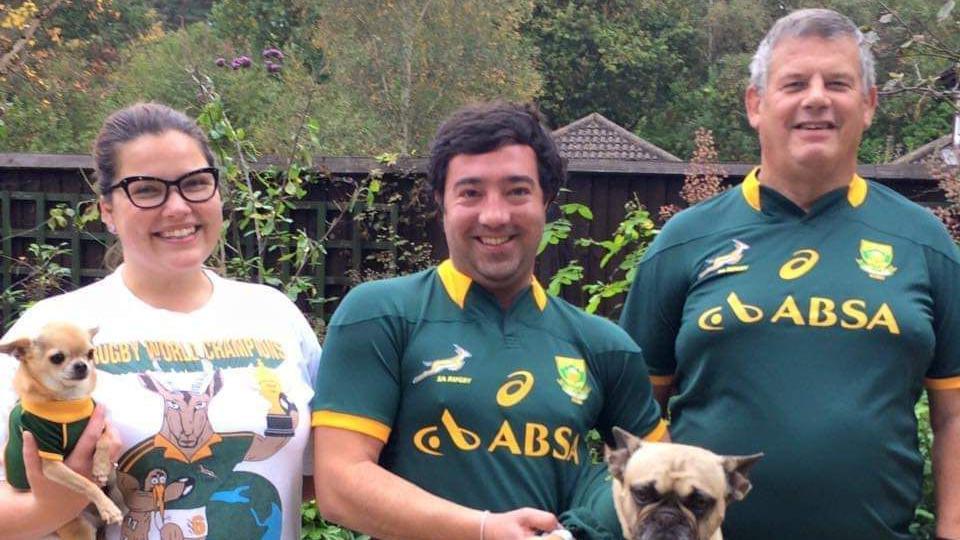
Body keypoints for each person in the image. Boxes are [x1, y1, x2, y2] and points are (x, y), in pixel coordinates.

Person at [619, 8, 960, 540]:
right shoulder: (683, 243)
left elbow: (954, 417)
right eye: (795, 83)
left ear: (868, 105)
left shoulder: (923, 243)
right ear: (756, 104)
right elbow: (631, 417)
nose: (817, 98)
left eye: (839, 83)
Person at [311, 102, 667, 540]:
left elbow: (662, 483)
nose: (494, 215)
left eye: (517, 191)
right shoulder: (380, 315)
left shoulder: (605, 346)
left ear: (546, 200)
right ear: (441, 200)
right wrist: (482, 530)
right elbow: (339, 484)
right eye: (470, 192)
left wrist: (583, 527)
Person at [0, 102, 321, 540]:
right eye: (147, 190)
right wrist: (55, 504)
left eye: (196, 184)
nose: (178, 207)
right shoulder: (54, 330)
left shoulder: (275, 315)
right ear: (107, 211)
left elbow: (317, 473)